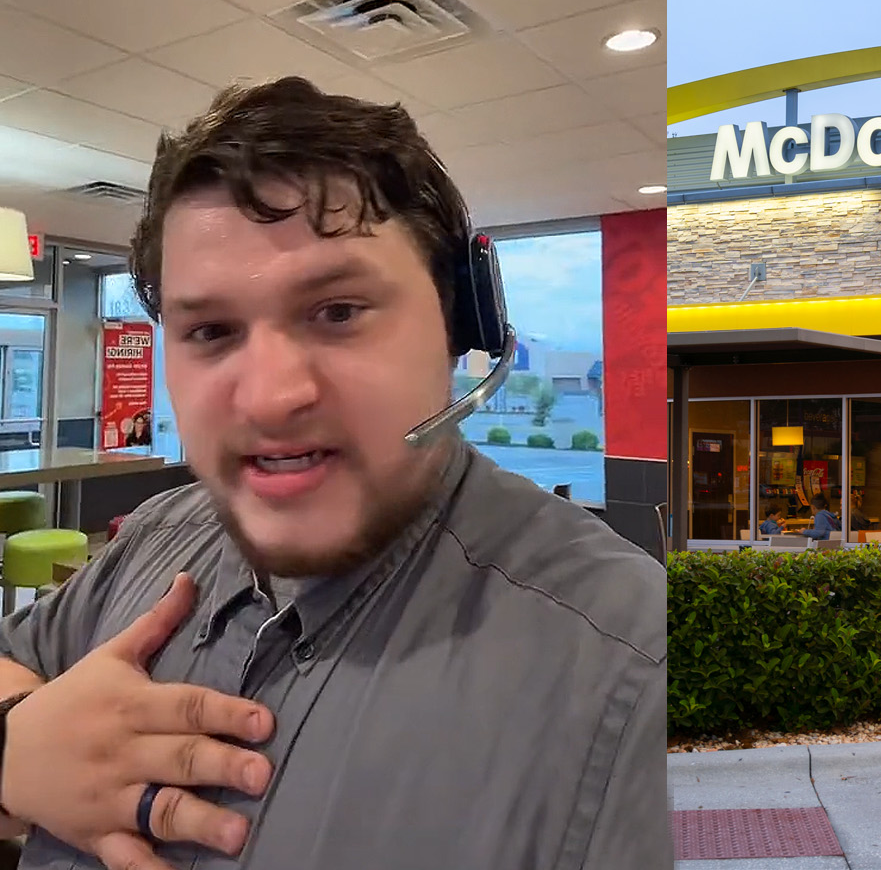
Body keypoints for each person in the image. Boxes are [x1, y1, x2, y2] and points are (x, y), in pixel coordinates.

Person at [0, 77, 666, 870]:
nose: (274, 398)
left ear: (462, 330)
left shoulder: (631, 669)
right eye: (211, 329)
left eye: (339, 311)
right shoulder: (155, 540)